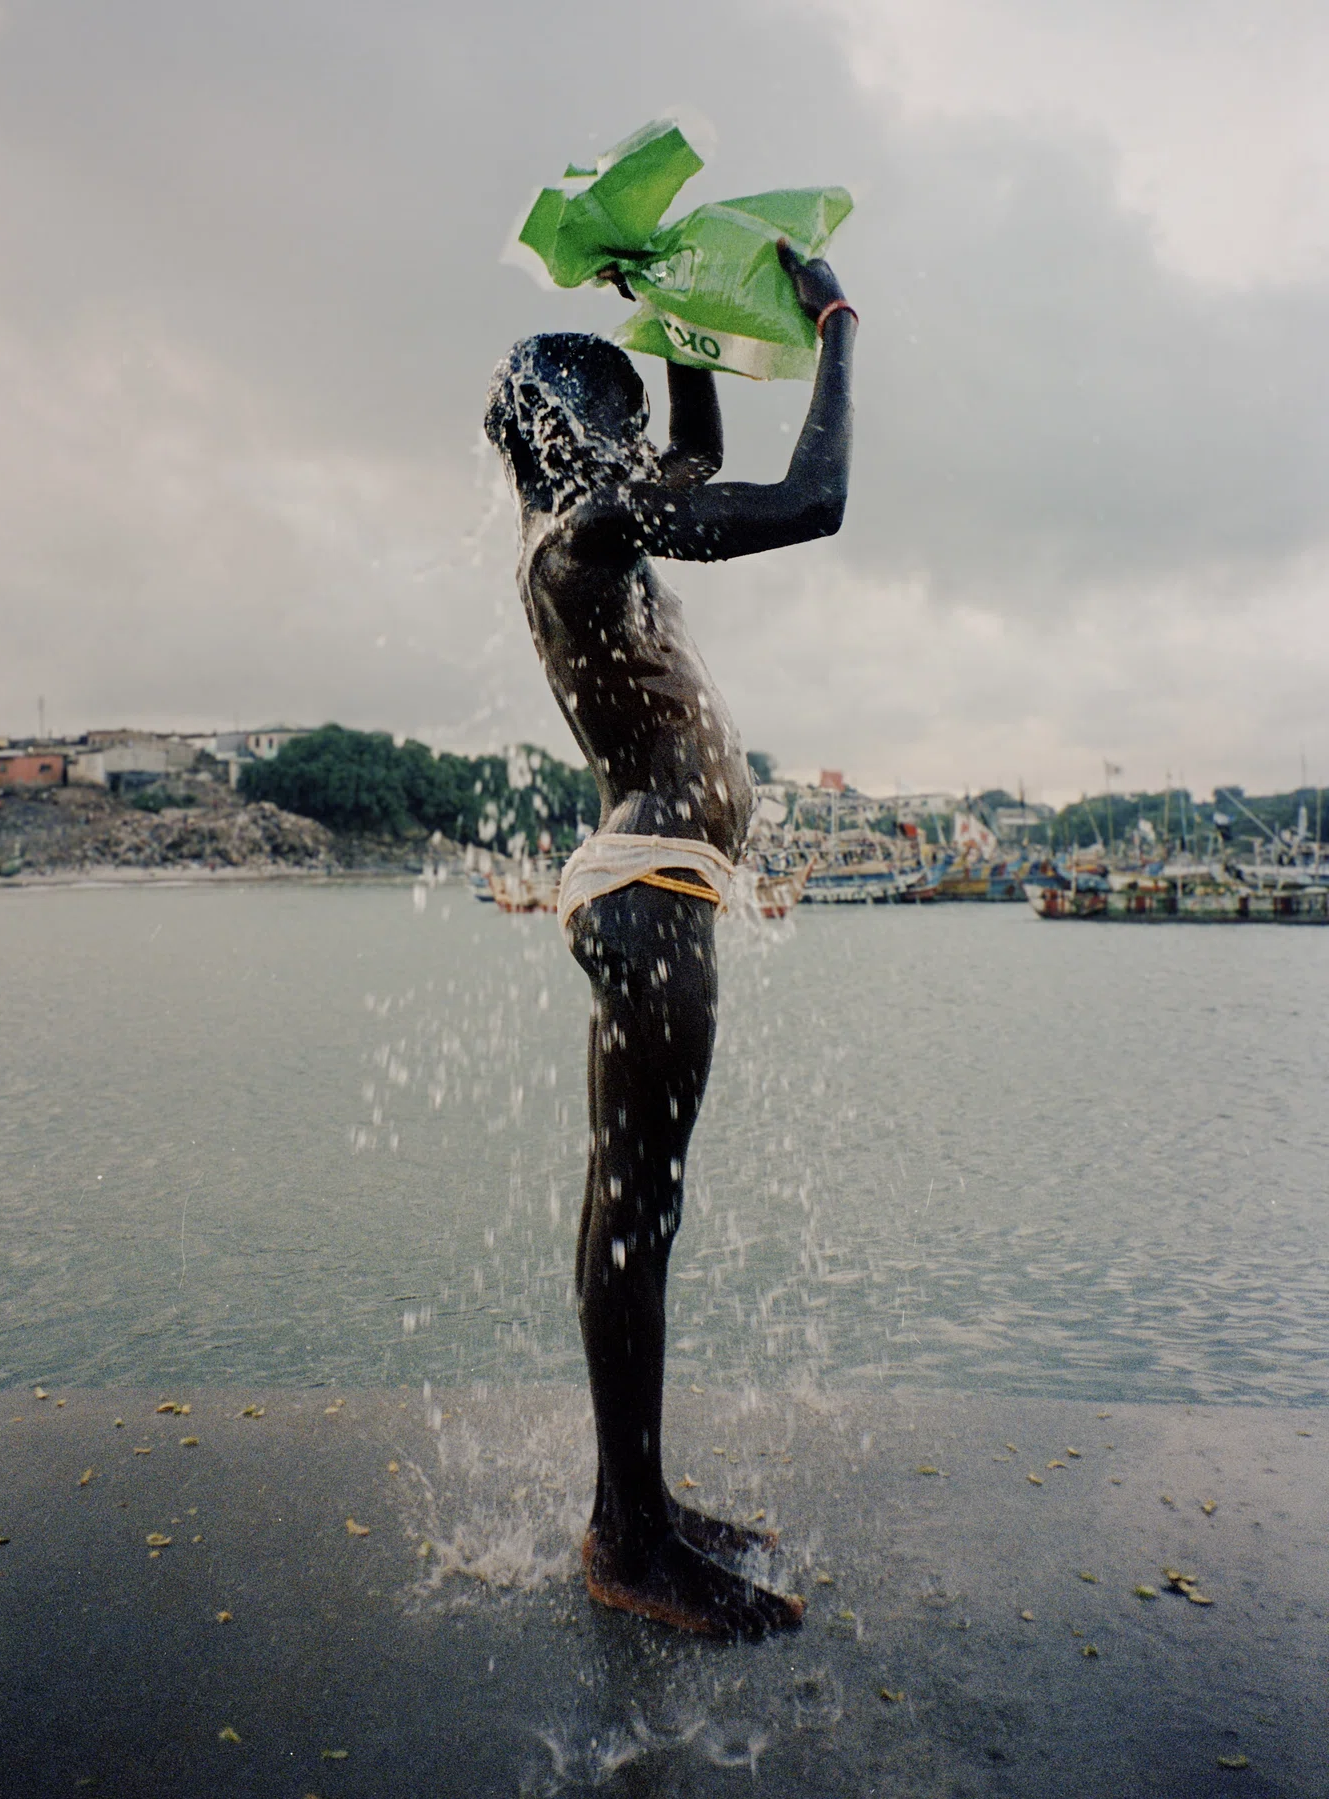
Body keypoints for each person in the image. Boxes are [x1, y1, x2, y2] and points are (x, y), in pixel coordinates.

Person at [484, 244, 856, 1638]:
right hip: (647, 890)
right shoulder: (588, 532)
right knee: (638, 1210)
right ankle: (631, 1542)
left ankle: (631, 1509)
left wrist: (678, 313)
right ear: (580, 428)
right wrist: (837, 327)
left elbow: (698, 457)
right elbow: (812, 501)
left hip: (650, 884)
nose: (647, 441)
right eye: (624, 413)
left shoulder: (587, 530)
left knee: (632, 1204)